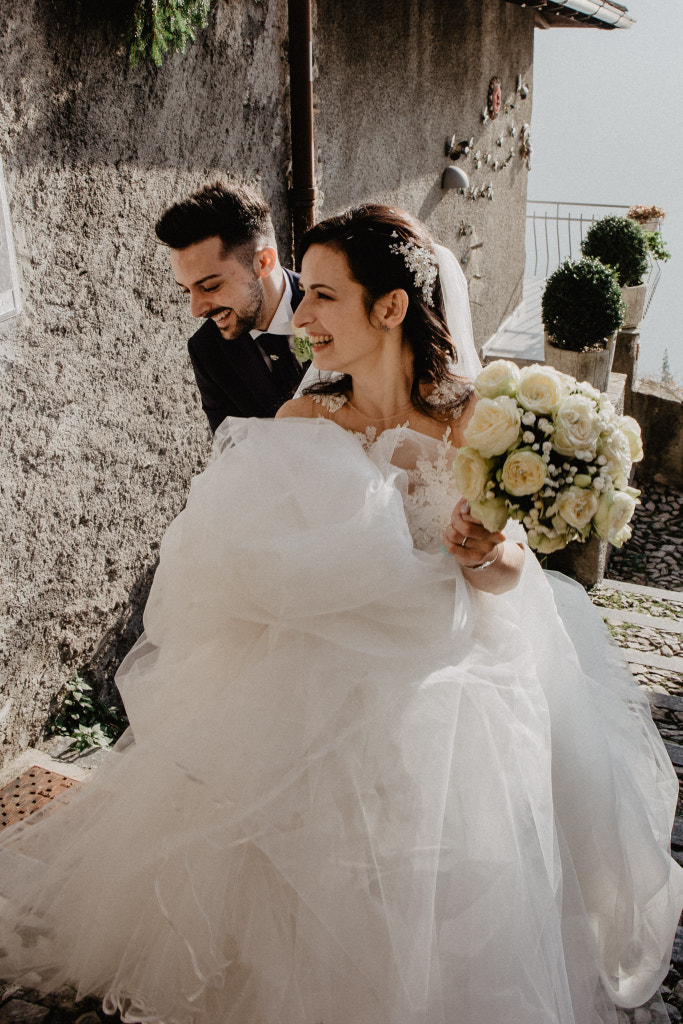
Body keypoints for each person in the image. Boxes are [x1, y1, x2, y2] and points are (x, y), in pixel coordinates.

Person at [0, 205, 681, 1024]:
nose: (304, 316)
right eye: (306, 294)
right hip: (312, 669)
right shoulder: (301, 418)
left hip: (447, 664)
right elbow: (255, 565)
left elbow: (510, 575)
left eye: (323, 297)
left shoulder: (477, 424)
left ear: (388, 308)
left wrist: (478, 552)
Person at [155, 180, 309, 431]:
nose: (196, 310)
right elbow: (233, 456)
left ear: (264, 262)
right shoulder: (207, 351)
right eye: (187, 291)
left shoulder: (339, 304)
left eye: (210, 287)